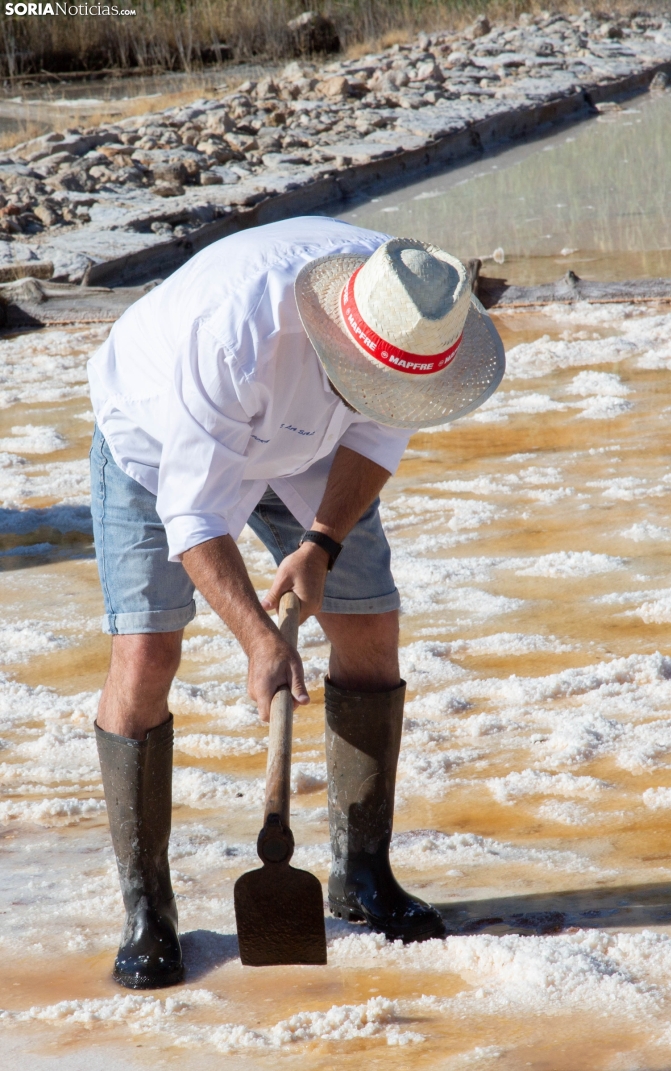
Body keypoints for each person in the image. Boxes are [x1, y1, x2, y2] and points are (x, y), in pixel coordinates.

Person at [87, 216, 505, 990]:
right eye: (370, 380)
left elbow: (376, 440)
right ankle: (147, 909)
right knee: (147, 654)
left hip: (310, 450)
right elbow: (196, 516)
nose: (387, 393)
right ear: (336, 334)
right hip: (156, 441)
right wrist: (259, 640)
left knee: (371, 629)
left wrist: (320, 545)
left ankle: (363, 872)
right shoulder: (231, 334)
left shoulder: (415, 316)